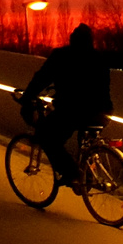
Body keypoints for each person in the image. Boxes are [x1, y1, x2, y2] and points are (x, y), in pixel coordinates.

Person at [19, 23, 112, 189]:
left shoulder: (61, 56)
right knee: (84, 140)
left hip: (73, 111)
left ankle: (74, 174)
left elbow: (41, 78)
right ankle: (87, 174)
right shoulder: (99, 58)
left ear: (72, 39)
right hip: (103, 112)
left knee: (47, 137)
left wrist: (27, 97)